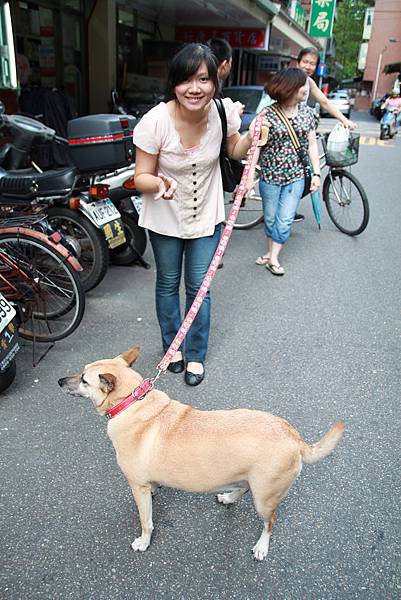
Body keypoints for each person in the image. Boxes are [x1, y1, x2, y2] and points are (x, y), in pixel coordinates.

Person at [133, 43, 262, 386]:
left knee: (199, 287)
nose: (195, 88)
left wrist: (251, 137)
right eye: (186, 80)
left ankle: (195, 354)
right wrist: (156, 182)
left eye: (203, 79)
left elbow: (233, 150)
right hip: (164, 219)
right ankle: (172, 348)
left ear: (215, 81)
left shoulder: (221, 113)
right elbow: (140, 175)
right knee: (167, 284)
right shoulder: (155, 121)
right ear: (174, 83)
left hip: (206, 215)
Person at [255, 68, 320, 276]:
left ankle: (273, 258)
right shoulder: (267, 115)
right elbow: (257, 146)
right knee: (271, 217)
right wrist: (248, 179)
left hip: (296, 176)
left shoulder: (307, 113)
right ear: (290, 87)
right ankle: (270, 250)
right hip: (270, 176)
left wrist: (316, 174)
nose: (306, 88)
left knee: (284, 220)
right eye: (302, 84)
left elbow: (311, 145)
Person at [294, 47, 356, 223]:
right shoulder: (289, 78)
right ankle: (283, 208)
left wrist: (344, 120)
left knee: (306, 171)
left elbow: (325, 102)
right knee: (301, 171)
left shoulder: (309, 82)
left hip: (303, 129)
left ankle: (287, 207)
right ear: (298, 62)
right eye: (305, 62)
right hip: (289, 131)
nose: (308, 66)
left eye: (312, 63)